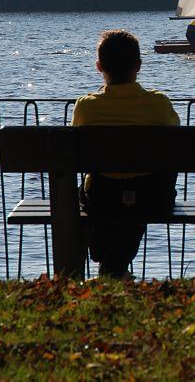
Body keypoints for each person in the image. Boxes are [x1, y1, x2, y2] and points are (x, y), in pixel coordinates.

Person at [73, 29, 180, 278]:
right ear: (139, 66)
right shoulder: (159, 104)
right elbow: (175, 140)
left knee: (97, 194)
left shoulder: (86, 107)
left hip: (102, 197)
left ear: (99, 66)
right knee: (137, 197)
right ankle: (114, 268)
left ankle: (111, 266)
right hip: (153, 198)